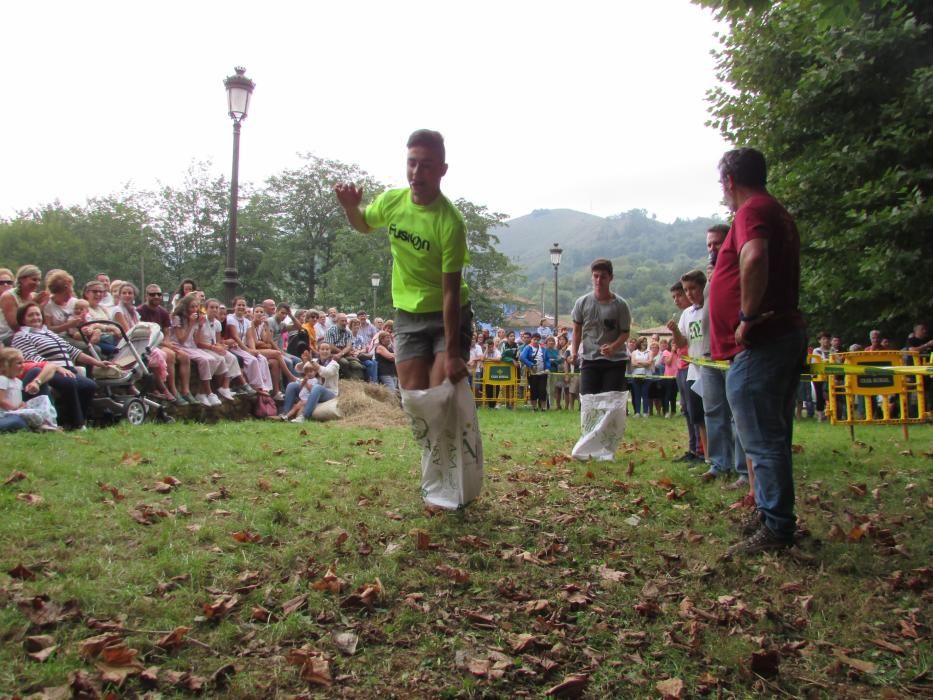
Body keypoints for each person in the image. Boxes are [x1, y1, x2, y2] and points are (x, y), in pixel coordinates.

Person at [334, 128, 481, 510]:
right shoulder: (393, 201)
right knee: (416, 401)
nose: (416, 173)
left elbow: (451, 291)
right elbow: (365, 223)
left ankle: (449, 481)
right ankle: (438, 470)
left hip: (447, 314)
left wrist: (451, 352)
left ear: (442, 170)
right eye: (412, 163)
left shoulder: (451, 223)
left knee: (439, 396)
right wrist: (351, 207)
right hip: (408, 316)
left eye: (426, 166)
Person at [709, 147, 806, 556]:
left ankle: (777, 526)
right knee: (773, 435)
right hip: (782, 335)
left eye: (722, 184)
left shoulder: (751, 211)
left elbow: (754, 255)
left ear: (730, 181)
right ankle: (771, 513)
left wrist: (746, 317)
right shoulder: (775, 210)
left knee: (761, 439)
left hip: (762, 342)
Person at [11, 303, 117, 430]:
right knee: (69, 383)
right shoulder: (22, 336)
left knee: (89, 385)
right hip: (46, 371)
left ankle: (77, 420)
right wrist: (57, 368)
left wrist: (97, 362)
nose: (35, 317)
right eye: (30, 315)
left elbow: (72, 351)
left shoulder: (48, 333)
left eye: (38, 314)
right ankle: (78, 424)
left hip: (68, 369)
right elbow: (32, 358)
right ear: (23, 319)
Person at [667, 271, 709, 467]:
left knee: (713, 412)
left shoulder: (710, 307)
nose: (689, 294)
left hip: (709, 366)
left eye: (692, 289)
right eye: (685, 290)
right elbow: (683, 340)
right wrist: (675, 331)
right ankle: (701, 452)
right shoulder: (686, 315)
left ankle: (708, 453)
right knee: (694, 412)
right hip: (691, 368)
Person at [138, 284, 193, 405]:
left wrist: (167, 342)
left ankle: (185, 390)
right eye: (152, 294)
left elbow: (166, 331)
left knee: (184, 356)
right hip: (148, 344)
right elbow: (144, 335)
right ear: (146, 296)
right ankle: (172, 389)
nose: (156, 296)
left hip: (161, 341)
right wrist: (166, 345)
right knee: (170, 355)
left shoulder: (162, 311)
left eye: (159, 294)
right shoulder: (140, 311)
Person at [170, 293, 223, 407]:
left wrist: (199, 326)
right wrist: (190, 323)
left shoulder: (197, 318)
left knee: (213, 359)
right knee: (204, 360)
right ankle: (207, 392)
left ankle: (202, 392)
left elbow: (197, 340)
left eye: (196, 306)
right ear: (186, 307)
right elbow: (181, 340)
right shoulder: (177, 318)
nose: (195, 309)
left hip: (192, 346)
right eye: (192, 307)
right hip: (180, 346)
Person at [0, 347, 60, 431]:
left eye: (23, 362)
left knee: (43, 400)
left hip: (17, 410)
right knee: (27, 416)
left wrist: (22, 404)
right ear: (6, 366)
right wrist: (15, 408)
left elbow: (18, 398)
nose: (23, 365)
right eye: (19, 363)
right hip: (6, 412)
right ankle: (41, 426)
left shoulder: (18, 382)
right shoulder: (3, 379)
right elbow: (1, 400)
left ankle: (48, 423)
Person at [0, 265, 49, 345]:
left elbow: (41, 323)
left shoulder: (34, 296)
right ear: (22, 279)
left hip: (33, 334)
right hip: (9, 337)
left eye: (39, 280)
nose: (37, 283)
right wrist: (33, 303)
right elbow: (15, 326)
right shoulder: (8, 296)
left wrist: (42, 306)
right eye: (34, 280)